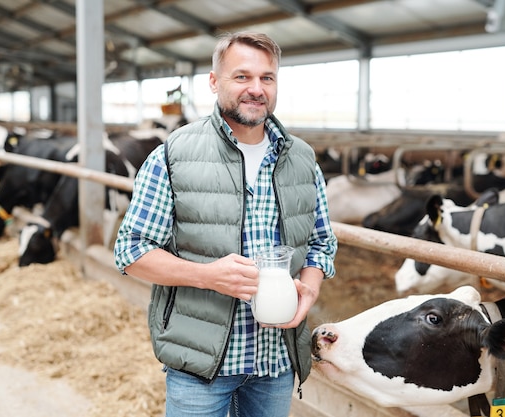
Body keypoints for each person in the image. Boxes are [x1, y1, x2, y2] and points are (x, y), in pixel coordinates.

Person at [113, 31, 337, 417]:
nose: (256, 89)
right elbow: (131, 251)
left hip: (276, 360)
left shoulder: (301, 158)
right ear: (215, 82)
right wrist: (207, 275)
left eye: (267, 78)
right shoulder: (174, 154)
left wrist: (310, 290)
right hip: (201, 364)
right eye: (242, 76)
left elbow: (321, 243)